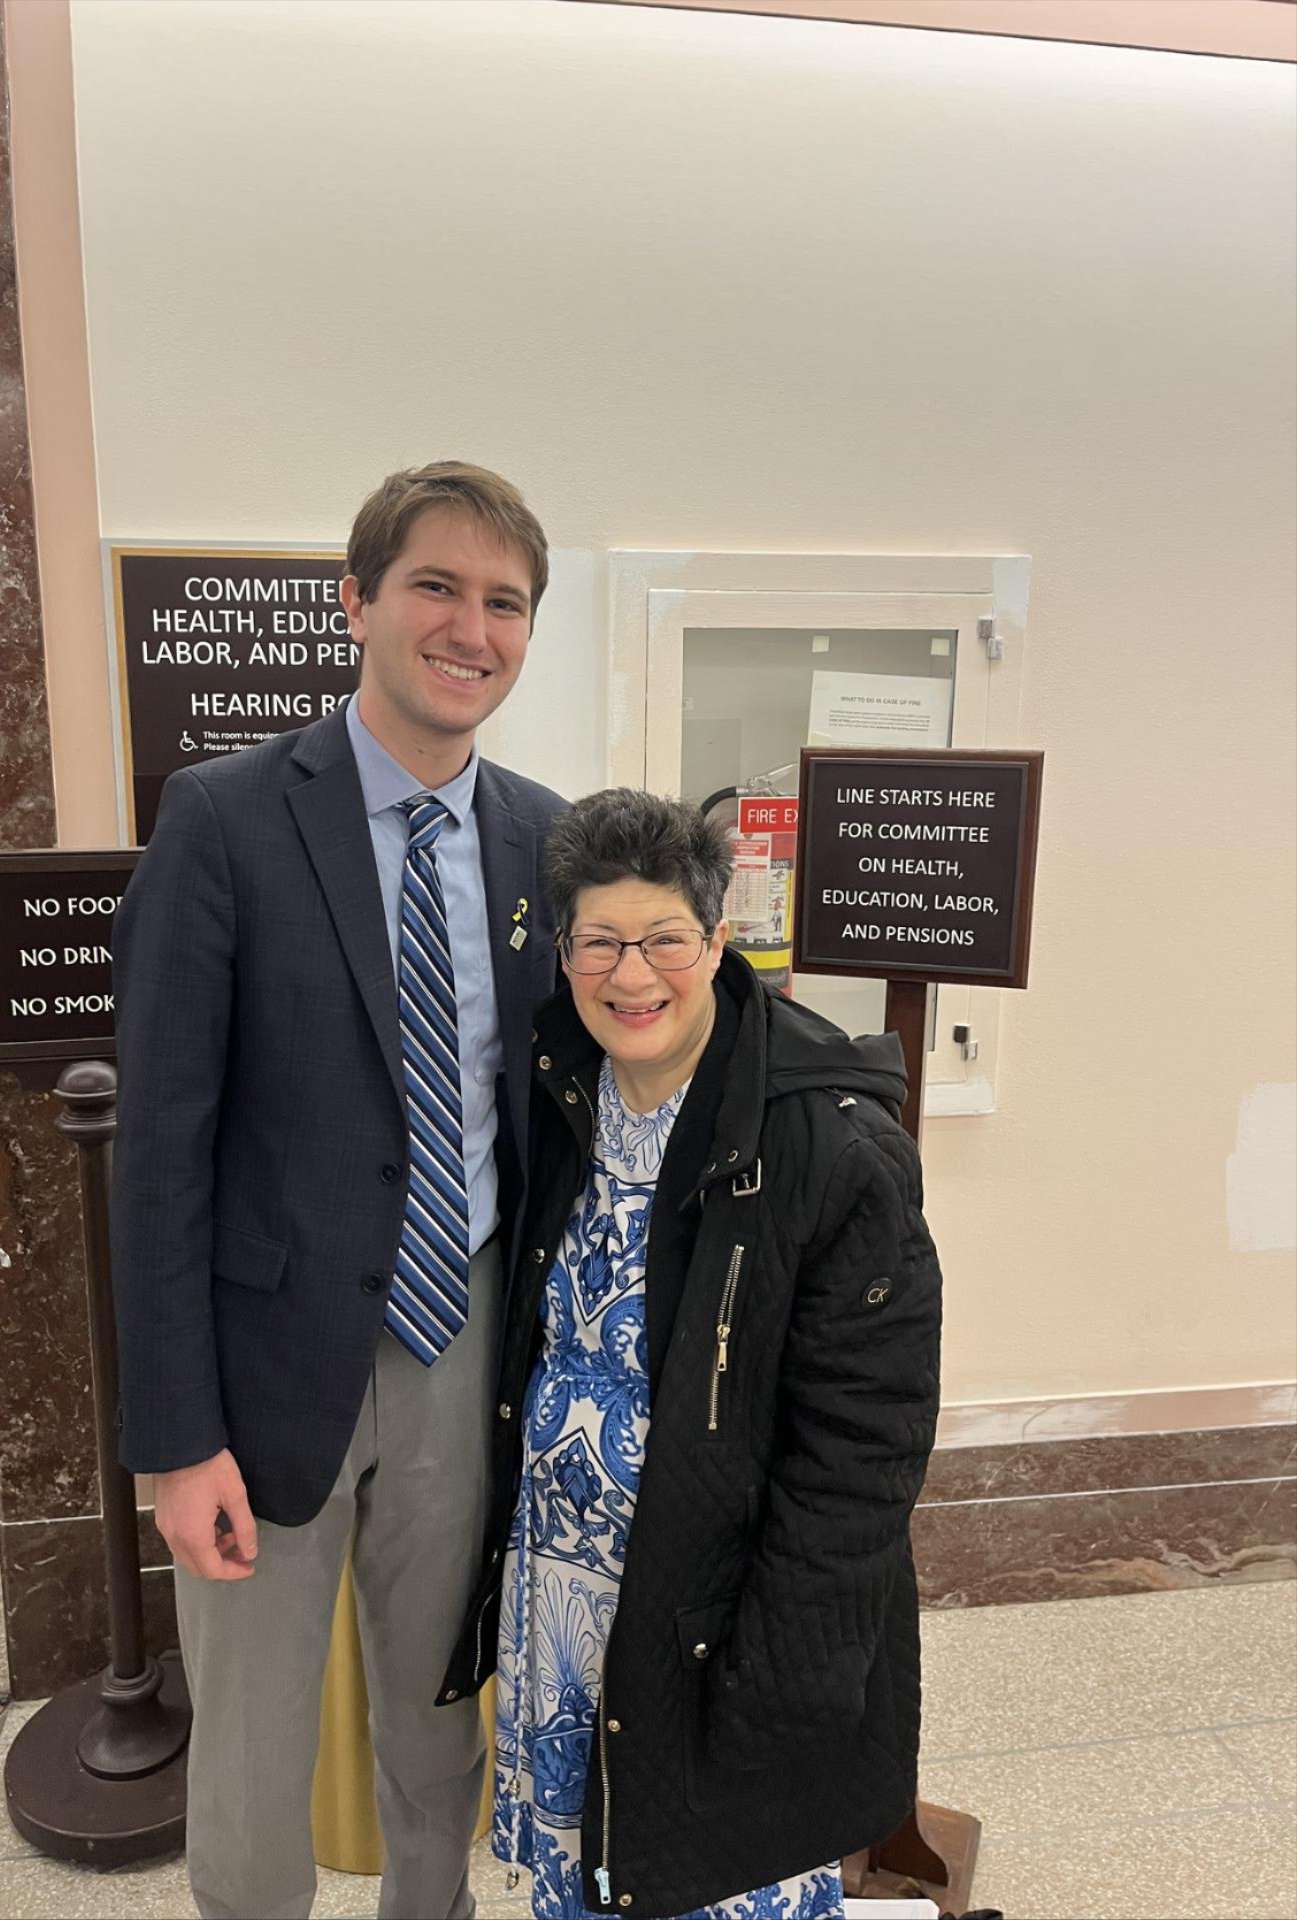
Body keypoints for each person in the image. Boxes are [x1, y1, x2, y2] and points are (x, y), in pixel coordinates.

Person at [111, 461, 566, 1920]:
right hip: (267, 1372)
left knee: (442, 1716)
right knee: (251, 1745)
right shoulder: (228, 818)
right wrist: (177, 1442)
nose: (470, 627)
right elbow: (162, 1149)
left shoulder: (543, 840)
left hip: (469, 1336)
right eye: (436, 584)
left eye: (504, 601)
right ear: (357, 601)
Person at [441, 789, 943, 1920]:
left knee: (704, 1888)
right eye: (599, 941)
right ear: (562, 948)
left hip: (715, 1630)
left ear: (719, 940)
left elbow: (865, 1454)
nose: (633, 976)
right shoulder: (561, 1095)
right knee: (577, 1883)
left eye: (665, 938)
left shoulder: (830, 1146)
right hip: (561, 1610)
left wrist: (779, 1679)